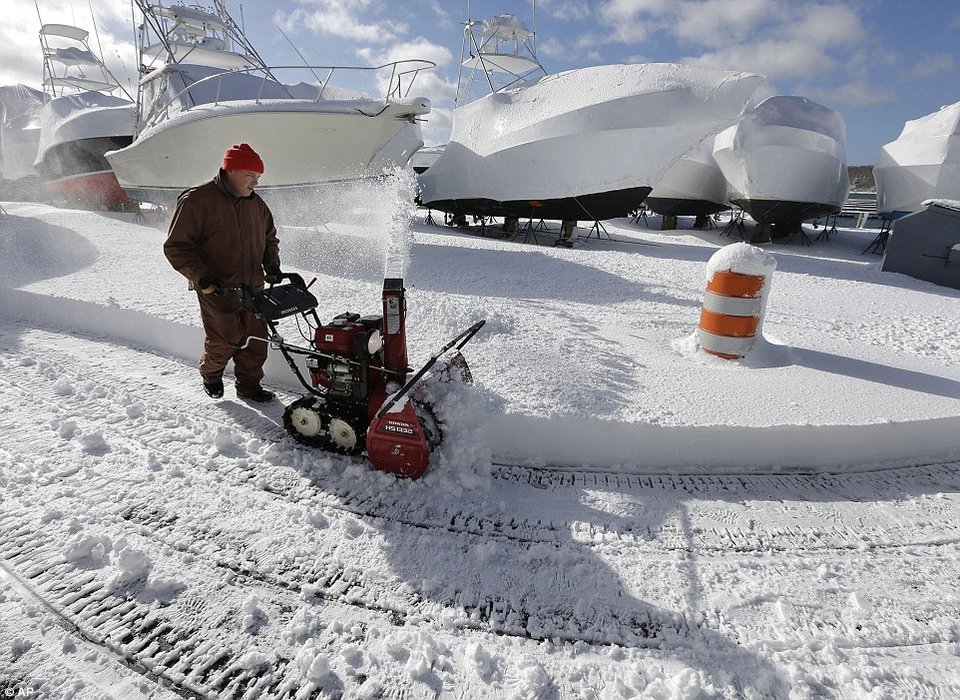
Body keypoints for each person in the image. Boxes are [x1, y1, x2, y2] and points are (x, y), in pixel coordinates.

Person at [163, 143, 282, 402]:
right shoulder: (198, 200)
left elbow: (270, 239)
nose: (255, 183)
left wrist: (271, 265)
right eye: (251, 176)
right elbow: (177, 246)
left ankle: (249, 387)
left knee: (255, 340)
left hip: (252, 286)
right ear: (231, 170)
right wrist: (201, 277)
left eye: (258, 178)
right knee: (225, 338)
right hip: (216, 287)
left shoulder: (257, 205)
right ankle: (212, 373)